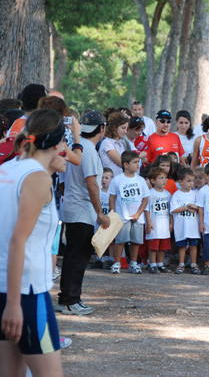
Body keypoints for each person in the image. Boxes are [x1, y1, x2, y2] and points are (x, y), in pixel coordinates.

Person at [0, 109, 65, 376]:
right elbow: (18, 240)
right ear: (57, 144)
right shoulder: (37, 178)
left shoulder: (7, 169)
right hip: (26, 294)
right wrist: (14, 304)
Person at [59, 111, 110, 315]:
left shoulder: (77, 146)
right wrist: (100, 212)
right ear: (102, 129)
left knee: (72, 256)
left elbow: (62, 183)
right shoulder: (87, 149)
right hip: (82, 211)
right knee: (78, 258)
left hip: (71, 208)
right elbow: (92, 183)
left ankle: (67, 299)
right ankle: (72, 300)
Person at [108, 151, 149, 275]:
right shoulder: (117, 180)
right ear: (126, 164)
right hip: (122, 216)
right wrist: (113, 214)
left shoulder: (140, 180)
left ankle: (133, 263)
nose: (138, 164)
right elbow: (112, 198)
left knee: (135, 241)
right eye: (135, 162)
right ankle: (117, 262)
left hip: (137, 217)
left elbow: (145, 198)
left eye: (138, 162)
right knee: (120, 241)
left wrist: (138, 214)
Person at [170, 168, 201, 275]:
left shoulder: (196, 194)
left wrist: (195, 207)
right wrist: (186, 208)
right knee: (182, 246)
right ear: (181, 182)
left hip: (193, 226)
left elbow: (200, 208)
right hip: (181, 225)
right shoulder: (177, 194)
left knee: (193, 245)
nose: (191, 183)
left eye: (192, 180)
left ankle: (193, 264)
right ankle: (181, 264)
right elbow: (173, 210)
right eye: (188, 181)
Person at [144, 167, 172, 274]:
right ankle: (152, 264)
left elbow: (170, 210)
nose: (164, 180)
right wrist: (149, 223)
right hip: (154, 223)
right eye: (161, 178)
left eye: (165, 178)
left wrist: (171, 223)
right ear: (153, 180)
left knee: (162, 246)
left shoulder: (167, 194)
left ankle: (160, 264)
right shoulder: (150, 194)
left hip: (164, 224)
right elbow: (146, 210)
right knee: (153, 246)